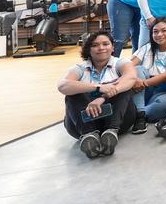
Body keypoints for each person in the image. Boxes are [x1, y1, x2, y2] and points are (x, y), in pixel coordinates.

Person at [58, 30, 138, 158]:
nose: (101, 48)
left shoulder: (121, 63)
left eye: (105, 44)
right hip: (84, 121)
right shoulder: (79, 68)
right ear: (88, 49)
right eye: (95, 45)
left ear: (112, 47)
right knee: (72, 92)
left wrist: (103, 97)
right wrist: (98, 88)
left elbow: (131, 79)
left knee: (123, 88)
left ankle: (111, 132)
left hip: (117, 119)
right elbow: (62, 86)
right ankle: (89, 135)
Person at [129, 17, 166, 133]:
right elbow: (129, 65)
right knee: (138, 69)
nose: (159, 34)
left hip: (163, 90)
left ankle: (136, 113)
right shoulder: (146, 48)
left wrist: (142, 83)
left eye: (164, 30)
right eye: (155, 31)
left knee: (161, 107)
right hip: (143, 90)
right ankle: (140, 115)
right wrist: (137, 80)